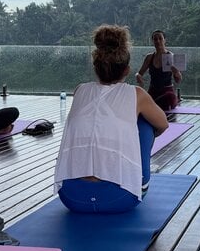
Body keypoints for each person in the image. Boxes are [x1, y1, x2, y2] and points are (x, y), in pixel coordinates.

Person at [55, 25, 169, 213]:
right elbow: (163, 124)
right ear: (127, 70)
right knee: (145, 123)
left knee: (96, 121)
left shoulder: (80, 90)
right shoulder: (136, 94)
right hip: (119, 198)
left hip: (71, 197)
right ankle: (131, 175)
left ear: (96, 68)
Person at [136, 30, 182, 112]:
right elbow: (139, 73)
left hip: (167, 91)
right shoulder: (149, 57)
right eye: (155, 39)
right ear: (153, 41)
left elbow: (178, 80)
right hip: (153, 90)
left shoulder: (171, 56)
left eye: (160, 38)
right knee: (144, 101)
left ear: (165, 40)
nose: (158, 41)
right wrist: (138, 76)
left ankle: (155, 104)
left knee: (168, 98)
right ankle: (154, 104)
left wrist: (176, 72)